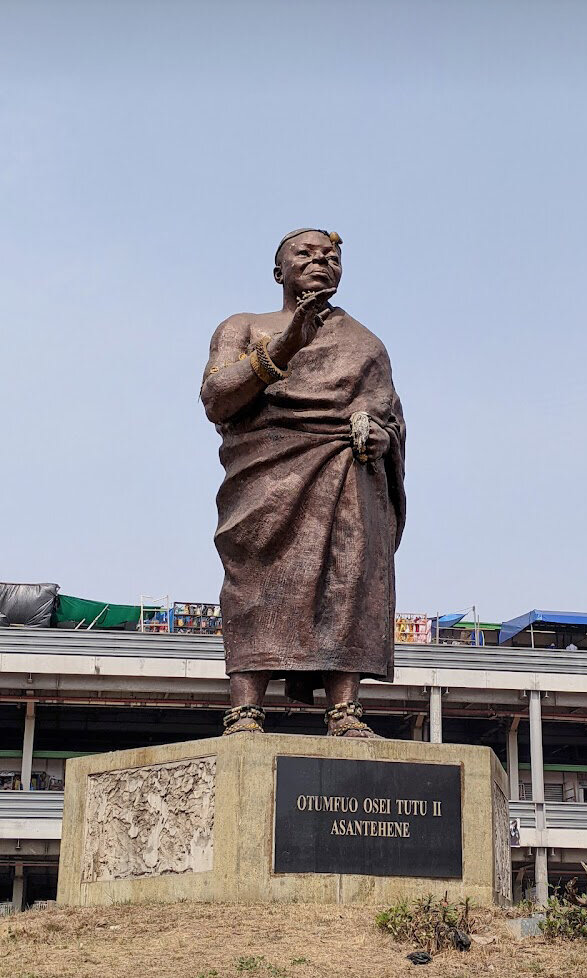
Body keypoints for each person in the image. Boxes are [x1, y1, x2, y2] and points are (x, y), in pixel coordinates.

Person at [201, 229, 406, 738]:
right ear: (280, 272)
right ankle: (245, 712)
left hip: (343, 470)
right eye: (307, 254)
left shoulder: (365, 343)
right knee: (255, 581)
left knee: (349, 578)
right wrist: (284, 346)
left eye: (332, 256)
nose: (322, 262)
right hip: (265, 474)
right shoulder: (243, 325)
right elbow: (217, 398)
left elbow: (390, 416)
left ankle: (345, 711)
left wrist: (380, 436)